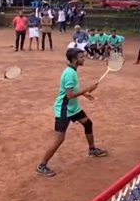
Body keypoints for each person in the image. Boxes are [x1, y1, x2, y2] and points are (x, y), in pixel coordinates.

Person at [36, 48, 106, 177]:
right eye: (81, 57)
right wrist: (87, 89)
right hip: (64, 109)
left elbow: (73, 91)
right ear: (74, 60)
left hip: (73, 108)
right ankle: (42, 165)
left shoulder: (73, 71)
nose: (83, 58)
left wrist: (85, 93)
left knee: (88, 123)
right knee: (59, 139)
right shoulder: (69, 73)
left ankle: (92, 149)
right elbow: (69, 95)